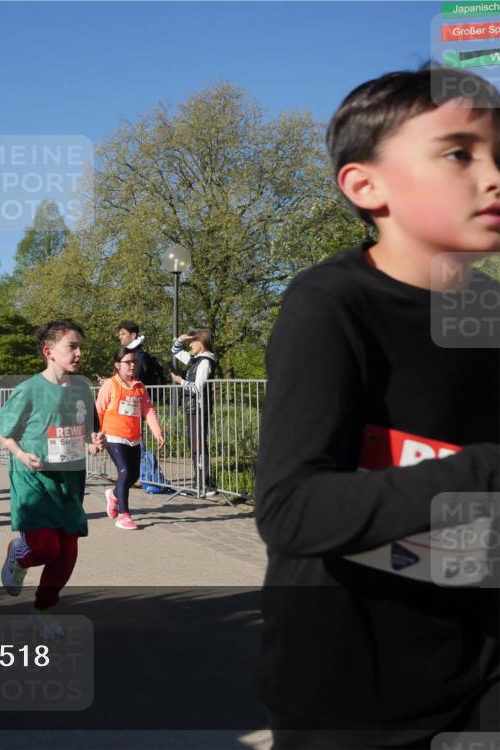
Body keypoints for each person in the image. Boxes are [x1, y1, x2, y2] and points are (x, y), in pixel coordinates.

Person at [255, 68, 500, 748]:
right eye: (460, 153)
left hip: (476, 674)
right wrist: (482, 474)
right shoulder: (328, 306)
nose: (493, 175)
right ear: (367, 186)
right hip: (347, 694)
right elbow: (290, 511)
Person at [0, 320, 106, 637]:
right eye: (72, 346)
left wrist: (94, 442)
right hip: (34, 480)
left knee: (67, 554)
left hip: (68, 483)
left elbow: (88, 432)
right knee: (45, 548)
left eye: (81, 346)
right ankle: (18, 553)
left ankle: (41, 612)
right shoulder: (29, 389)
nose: (79, 352)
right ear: (49, 352)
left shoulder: (83, 387)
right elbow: (1, 430)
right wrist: (19, 454)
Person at [95, 347, 166, 529]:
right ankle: (124, 514)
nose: (132, 365)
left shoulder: (139, 386)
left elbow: (148, 409)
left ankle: (114, 496)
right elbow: (98, 411)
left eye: (134, 362)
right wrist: (97, 436)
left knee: (133, 476)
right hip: (113, 435)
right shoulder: (110, 385)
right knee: (125, 471)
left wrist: (156, 430)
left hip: (133, 437)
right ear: (118, 365)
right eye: (128, 362)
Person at [170, 329, 219, 498]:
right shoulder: (195, 359)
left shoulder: (205, 362)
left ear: (201, 342)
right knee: (195, 444)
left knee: (198, 445)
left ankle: (204, 484)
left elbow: (198, 387)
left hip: (199, 407)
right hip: (192, 407)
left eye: (192, 341)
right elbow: (175, 351)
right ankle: (199, 483)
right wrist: (182, 338)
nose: (190, 344)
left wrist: (180, 381)